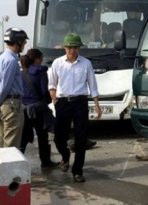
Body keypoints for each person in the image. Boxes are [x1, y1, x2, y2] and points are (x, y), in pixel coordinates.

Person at [48, 33, 102, 183]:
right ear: (65, 48)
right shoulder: (57, 63)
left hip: (80, 103)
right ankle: (65, 156)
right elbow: (52, 85)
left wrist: (97, 105)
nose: (72, 50)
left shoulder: (86, 63)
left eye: (75, 47)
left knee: (81, 138)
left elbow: (93, 85)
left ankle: (77, 171)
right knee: (59, 138)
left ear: (79, 48)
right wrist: (55, 101)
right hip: (63, 103)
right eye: (69, 47)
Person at [0, 27, 28, 148]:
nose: (25, 44)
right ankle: (9, 167)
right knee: (11, 146)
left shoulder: (0, 59)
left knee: (1, 142)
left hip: (2, 105)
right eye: (24, 42)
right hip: (11, 105)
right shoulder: (12, 60)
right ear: (18, 42)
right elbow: (5, 86)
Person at [19, 48, 59, 168]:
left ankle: (17, 162)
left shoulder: (22, 72)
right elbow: (44, 90)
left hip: (25, 108)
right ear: (37, 59)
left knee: (24, 137)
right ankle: (45, 161)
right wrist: (46, 102)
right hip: (38, 108)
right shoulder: (41, 71)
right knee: (42, 135)